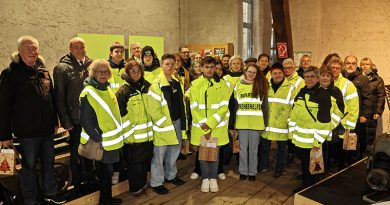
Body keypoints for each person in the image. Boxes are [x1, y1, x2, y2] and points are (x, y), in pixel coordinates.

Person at [0, 36, 66, 204]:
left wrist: (55, 121)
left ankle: (50, 194)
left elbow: (50, 99)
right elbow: (3, 106)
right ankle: (31, 200)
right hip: (27, 133)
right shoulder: (10, 74)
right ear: (20, 51)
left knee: (49, 164)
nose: (33, 52)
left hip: (47, 130)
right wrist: (4, 136)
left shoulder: (43, 71)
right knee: (29, 168)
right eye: (28, 48)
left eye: (35, 48)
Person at [79, 59, 123, 205]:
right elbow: (86, 120)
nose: (103, 75)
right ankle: (104, 201)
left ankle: (107, 198)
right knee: (105, 173)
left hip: (111, 140)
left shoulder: (107, 88)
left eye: (106, 72)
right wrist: (99, 138)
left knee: (108, 173)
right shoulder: (89, 92)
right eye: (100, 72)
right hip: (102, 142)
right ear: (93, 73)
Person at [53, 37, 93, 195]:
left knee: (90, 151)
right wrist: (66, 122)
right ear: (70, 49)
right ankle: (77, 183)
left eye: (82, 46)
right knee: (76, 154)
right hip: (74, 121)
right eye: (76, 47)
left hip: (90, 118)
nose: (80, 49)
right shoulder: (62, 68)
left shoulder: (91, 64)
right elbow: (59, 98)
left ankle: (90, 179)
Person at [186, 56, 230, 192]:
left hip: (216, 127)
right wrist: (205, 126)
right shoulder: (195, 85)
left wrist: (210, 125)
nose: (210, 70)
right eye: (207, 67)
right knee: (204, 154)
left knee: (214, 155)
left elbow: (224, 107)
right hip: (201, 127)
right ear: (202, 68)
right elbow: (194, 107)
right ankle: (205, 178)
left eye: (212, 67)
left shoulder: (223, 84)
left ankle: (213, 179)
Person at [288, 66, 333, 192]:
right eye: (307, 77)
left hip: (312, 141)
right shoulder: (301, 92)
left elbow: (324, 122)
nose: (309, 79)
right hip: (300, 139)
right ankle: (307, 183)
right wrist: (291, 135)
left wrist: (317, 142)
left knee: (312, 165)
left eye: (312, 76)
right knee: (304, 163)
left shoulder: (323, 95)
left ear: (318, 78)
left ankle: (308, 189)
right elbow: (294, 115)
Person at [147, 54, 186, 195]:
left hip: (176, 123)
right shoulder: (156, 85)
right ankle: (157, 182)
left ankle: (171, 176)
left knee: (174, 152)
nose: (170, 66)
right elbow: (154, 110)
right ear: (161, 66)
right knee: (159, 155)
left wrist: (182, 123)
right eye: (166, 64)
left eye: (172, 64)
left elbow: (181, 105)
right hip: (162, 126)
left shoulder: (176, 82)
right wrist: (164, 124)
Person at [116, 60, 153, 195]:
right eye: (132, 71)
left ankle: (142, 184)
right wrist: (128, 135)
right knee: (134, 165)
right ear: (127, 73)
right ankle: (135, 188)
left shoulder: (147, 87)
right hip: (133, 137)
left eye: (138, 71)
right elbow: (121, 116)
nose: (136, 74)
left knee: (143, 163)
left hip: (148, 135)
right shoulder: (123, 91)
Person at [232, 63, 269, 181]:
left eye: (254, 72)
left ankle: (252, 172)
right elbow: (235, 106)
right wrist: (233, 124)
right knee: (242, 149)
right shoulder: (238, 85)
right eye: (249, 72)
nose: (251, 74)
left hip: (256, 123)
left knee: (253, 149)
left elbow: (265, 107)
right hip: (242, 122)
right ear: (245, 72)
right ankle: (243, 171)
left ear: (257, 74)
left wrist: (265, 123)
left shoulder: (261, 86)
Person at [260, 63, 296, 178]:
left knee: (282, 149)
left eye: (280, 73)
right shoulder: (265, 86)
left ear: (283, 73)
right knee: (264, 147)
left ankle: (280, 169)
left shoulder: (291, 88)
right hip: (267, 123)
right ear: (271, 74)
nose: (277, 75)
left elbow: (293, 108)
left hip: (282, 124)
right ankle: (263, 166)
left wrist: (289, 122)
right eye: (275, 73)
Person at [328, 56, 359, 170]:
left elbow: (354, 106)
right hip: (327, 123)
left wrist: (349, 126)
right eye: (332, 68)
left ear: (341, 69)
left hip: (342, 123)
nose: (335, 70)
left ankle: (338, 173)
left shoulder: (348, 85)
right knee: (328, 150)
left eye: (337, 68)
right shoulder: (324, 82)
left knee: (340, 153)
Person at [343, 55, 372, 159]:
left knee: (354, 141)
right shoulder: (340, 78)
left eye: (353, 63)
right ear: (344, 64)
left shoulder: (362, 79)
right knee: (342, 142)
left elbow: (367, 98)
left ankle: (353, 162)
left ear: (356, 65)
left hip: (357, 116)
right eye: (348, 63)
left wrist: (365, 115)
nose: (350, 65)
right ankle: (343, 162)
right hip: (342, 116)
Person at [318, 65, 345, 172]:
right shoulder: (315, 90)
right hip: (317, 127)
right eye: (322, 75)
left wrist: (330, 124)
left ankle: (327, 169)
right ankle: (317, 171)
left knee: (329, 150)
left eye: (328, 76)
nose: (325, 78)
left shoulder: (335, 91)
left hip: (331, 127)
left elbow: (340, 110)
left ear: (331, 78)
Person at [360, 57, 385, 152]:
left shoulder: (378, 80)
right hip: (361, 112)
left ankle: (371, 157)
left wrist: (378, 112)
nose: (365, 66)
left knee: (373, 137)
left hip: (373, 112)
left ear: (371, 66)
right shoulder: (358, 79)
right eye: (363, 64)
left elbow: (381, 97)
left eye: (367, 64)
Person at [282, 58, 304, 163]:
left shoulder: (300, 81)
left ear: (294, 68)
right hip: (282, 111)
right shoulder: (281, 78)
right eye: (285, 68)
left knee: (291, 133)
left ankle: (291, 153)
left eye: (289, 68)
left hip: (294, 110)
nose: (287, 70)